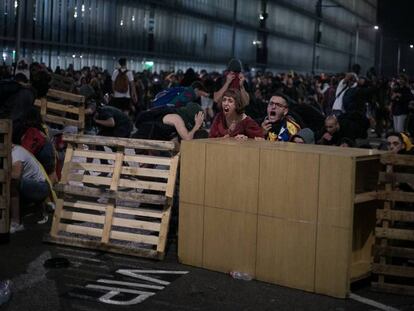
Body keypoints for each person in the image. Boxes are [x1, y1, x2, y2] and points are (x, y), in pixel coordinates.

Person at [11, 144, 51, 230]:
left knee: (13, 183)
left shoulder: (15, 153)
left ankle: (16, 223)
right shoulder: (13, 151)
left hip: (41, 188)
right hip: (36, 186)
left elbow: (16, 175)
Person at [134, 102, 205, 141]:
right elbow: (187, 138)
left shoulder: (177, 113)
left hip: (152, 137)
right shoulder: (176, 118)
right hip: (144, 136)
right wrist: (197, 125)